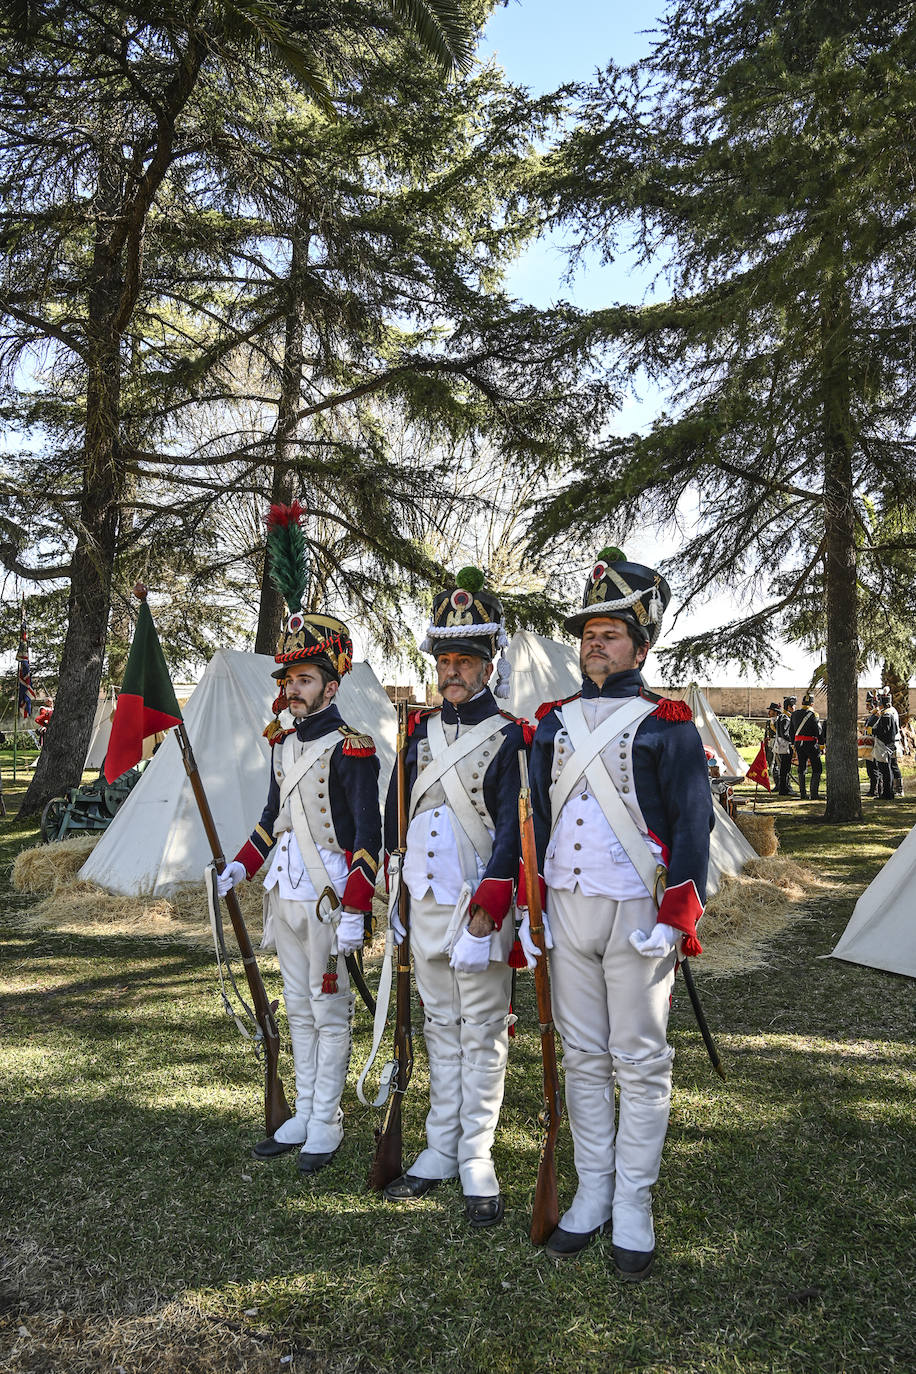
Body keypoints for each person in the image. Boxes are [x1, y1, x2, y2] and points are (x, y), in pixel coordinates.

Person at [524, 548, 713, 1281]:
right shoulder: (551, 723)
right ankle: (592, 1190)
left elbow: (693, 831)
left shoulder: (668, 724)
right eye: (588, 632)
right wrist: (529, 913)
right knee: (582, 1056)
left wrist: (677, 917)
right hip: (567, 907)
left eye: (610, 633)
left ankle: (634, 1201)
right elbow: (537, 816)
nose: (594, 643)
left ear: (640, 643)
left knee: (638, 1059)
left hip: (639, 910)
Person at [382, 568, 526, 1228]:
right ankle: (440, 1145)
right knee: (440, 1027)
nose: (451, 671)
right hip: (423, 905)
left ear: (488, 665)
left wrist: (488, 912)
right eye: (444, 660)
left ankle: (476, 1154)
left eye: (463, 660)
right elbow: (395, 817)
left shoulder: (508, 737)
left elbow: (512, 833)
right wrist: (390, 884)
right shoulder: (416, 734)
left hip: (477, 909)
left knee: (484, 1032)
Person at [218, 611, 381, 1172]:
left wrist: (358, 909)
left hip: (327, 895)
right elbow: (272, 818)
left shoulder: (352, 747)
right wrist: (242, 866)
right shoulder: (281, 743)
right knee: (298, 1011)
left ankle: (328, 1121)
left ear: (332, 686)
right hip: (283, 892)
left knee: (329, 1011)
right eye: (288, 680)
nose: (292, 690)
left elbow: (367, 838)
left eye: (304, 679)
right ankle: (306, 1110)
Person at [790, 692, 822, 800]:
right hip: (811, 744)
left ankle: (802, 794)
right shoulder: (814, 715)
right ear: (812, 704)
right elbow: (818, 731)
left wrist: (793, 743)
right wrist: (821, 744)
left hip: (798, 744)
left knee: (801, 767)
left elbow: (791, 731)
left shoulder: (794, 714)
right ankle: (814, 794)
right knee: (817, 768)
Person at [873, 687, 902, 799]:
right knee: (888, 767)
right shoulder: (888, 712)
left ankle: (891, 792)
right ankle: (889, 791)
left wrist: (873, 730)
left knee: (889, 768)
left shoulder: (887, 714)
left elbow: (884, 731)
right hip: (890, 742)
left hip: (887, 743)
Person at [773, 697, 795, 795]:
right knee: (785, 769)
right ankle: (784, 789)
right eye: (793, 705)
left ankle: (783, 789)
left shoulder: (782, 717)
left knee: (784, 769)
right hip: (786, 746)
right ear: (790, 707)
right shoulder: (785, 718)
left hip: (782, 746)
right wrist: (793, 741)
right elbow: (785, 734)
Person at [862, 692, 880, 796]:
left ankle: (875, 790)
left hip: (874, 746)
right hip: (869, 746)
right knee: (870, 769)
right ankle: (873, 790)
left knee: (874, 769)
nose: (867, 707)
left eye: (868, 705)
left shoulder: (876, 716)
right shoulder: (872, 716)